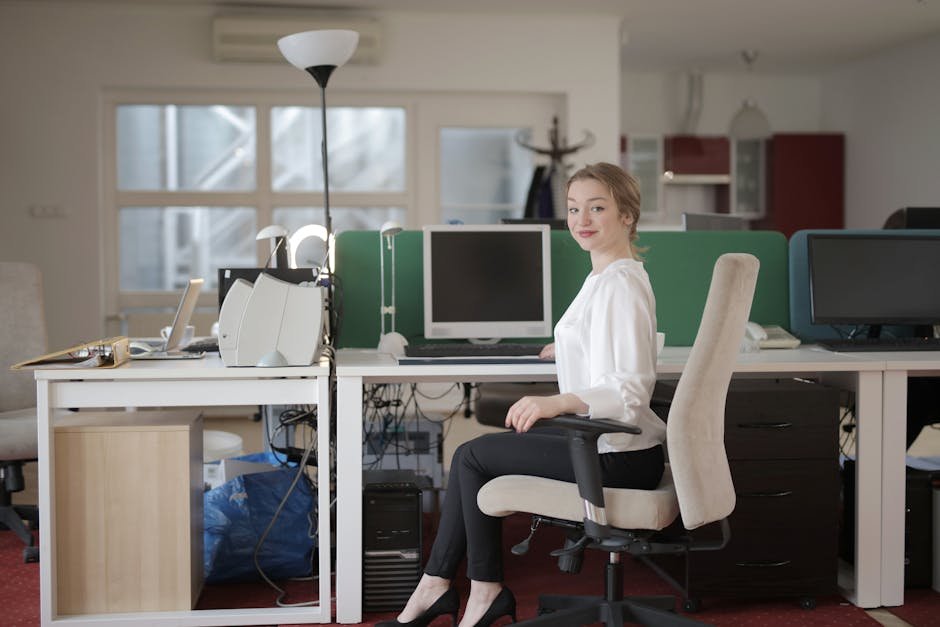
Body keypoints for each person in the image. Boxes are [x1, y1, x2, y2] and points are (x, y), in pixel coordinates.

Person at [378, 162, 666, 627]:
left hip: (621, 456)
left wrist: (556, 402)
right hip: (610, 443)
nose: (581, 220)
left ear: (628, 215)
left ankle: (459, 590)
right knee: (473, 456)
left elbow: (631, 388)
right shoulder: (606, 278)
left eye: (597, 207)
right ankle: (461, 590)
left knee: (472, 458)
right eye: (574, 209)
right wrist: (570, 344)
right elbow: (613, 349)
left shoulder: (621, 284)